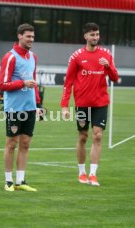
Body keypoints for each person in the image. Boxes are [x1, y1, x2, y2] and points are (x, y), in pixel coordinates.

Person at [61, 22, 119, 186]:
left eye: (97, 34)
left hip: (101, 102)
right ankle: (81, 172)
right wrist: (64, 105)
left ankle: (93, 174)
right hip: (82, 104)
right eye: (92, 35)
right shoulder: (77, 56)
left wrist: (108, 67)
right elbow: (69, 82)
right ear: (85, 36)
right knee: (83, 136)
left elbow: (115, 78)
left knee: (98, 136)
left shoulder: (106, 54)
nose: (95, 37)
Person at [0, 23, 43, 192]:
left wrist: (38, 105)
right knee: (11, 144)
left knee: (25, 144)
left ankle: (21, 181)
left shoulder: (33, 56)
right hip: (14, 108)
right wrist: (22, 83)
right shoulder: (10, 57)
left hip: (30, 107)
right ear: (19, 36)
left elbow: (34, 83)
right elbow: (2, 85)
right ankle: (8, 181)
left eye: (33, 36)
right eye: (28, 36)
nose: (31, 39)